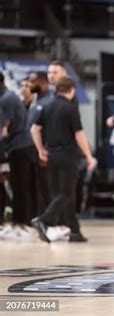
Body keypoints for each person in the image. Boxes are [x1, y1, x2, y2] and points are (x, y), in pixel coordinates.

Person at [30, 77, 94, 243]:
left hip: (51, 157)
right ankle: (43, 220)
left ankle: (75, 231)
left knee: (60, 194)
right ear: (71, 89)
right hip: (68, 156)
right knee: (66, 194)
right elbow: (79, 134)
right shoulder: (70, 107)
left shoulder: (47, 106)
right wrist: (88, 155)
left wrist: (40, 150)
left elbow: (34, 129)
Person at [0, 72, 37, 240]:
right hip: (17, 147)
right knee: (18, 186)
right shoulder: (8, 97)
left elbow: (4, 127)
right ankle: (18, 223)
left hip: (20, 147)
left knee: (20, 186)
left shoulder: (6, 99)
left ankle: (20, 224)